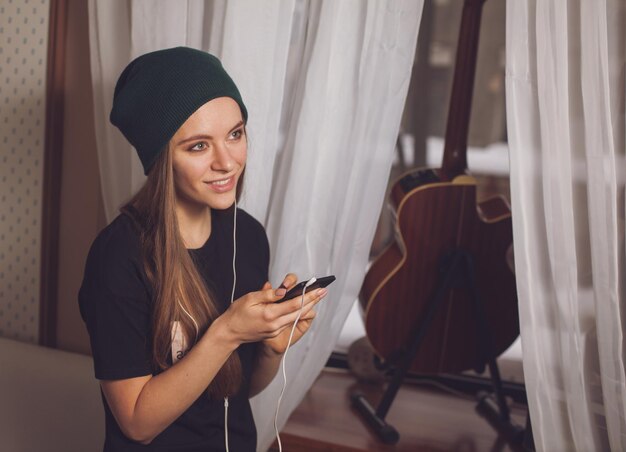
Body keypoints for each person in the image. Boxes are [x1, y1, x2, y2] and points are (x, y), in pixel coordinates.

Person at [78, 47, 327, 451]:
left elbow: (238, 393)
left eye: (235, 133)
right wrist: (226, 332)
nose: (227, 162)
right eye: (198, 146)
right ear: (161, 159)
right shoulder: (119, 258)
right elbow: (138, 425)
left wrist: (270, 348)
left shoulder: (247, 236)